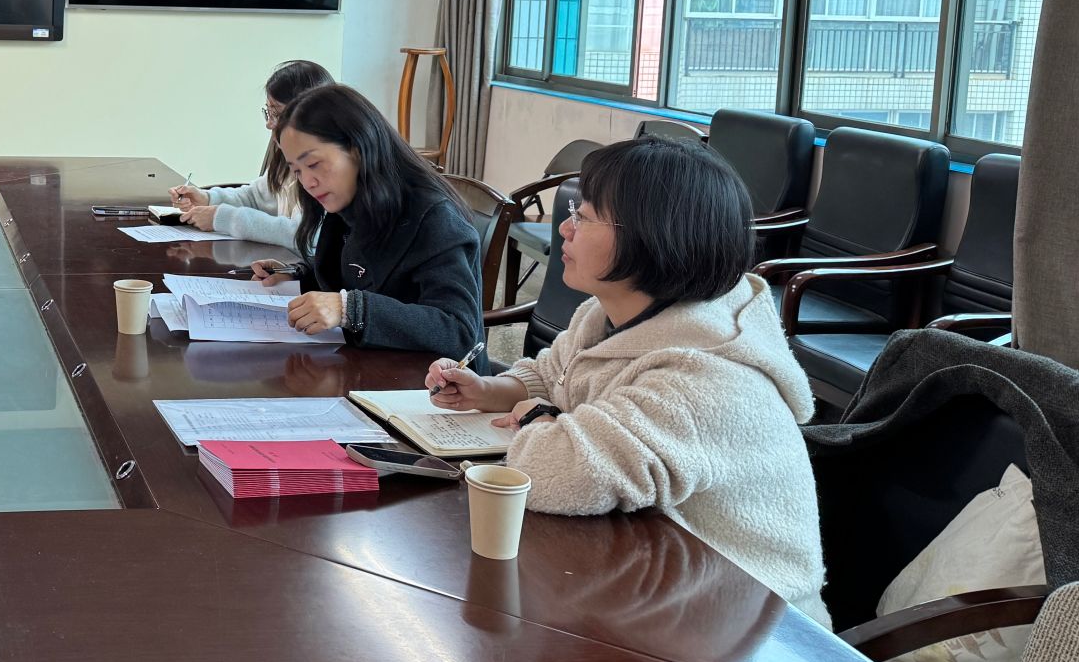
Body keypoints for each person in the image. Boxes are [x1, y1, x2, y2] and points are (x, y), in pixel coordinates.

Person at [426, 136, 828, 626]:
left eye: (584, 216)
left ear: (653, 237)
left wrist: (538, 419)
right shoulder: (607, 314)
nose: (565, 228)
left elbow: (557, 476)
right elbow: (553, 374)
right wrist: (489, 390)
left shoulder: (703, 376)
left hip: (753, 623)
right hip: (662, 583)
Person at [246, 83, 481, 354]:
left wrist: (351, 309)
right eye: (297, 171)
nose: (308, 182)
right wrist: (296, 275)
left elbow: (458, 331)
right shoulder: (348, 205)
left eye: (313, 164)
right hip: (369, 364)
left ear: (357, 148)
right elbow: (357, 278)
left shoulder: (435, 218)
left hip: (432, 377)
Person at [170, 59, 333, 250]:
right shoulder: (284, 158)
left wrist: (223, 218)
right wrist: (207, 198)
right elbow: (255, 197)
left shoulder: (323, 170)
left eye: (276, 114)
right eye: (268, 112)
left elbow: (307, 236)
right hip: (285, 263)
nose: (269, 124)